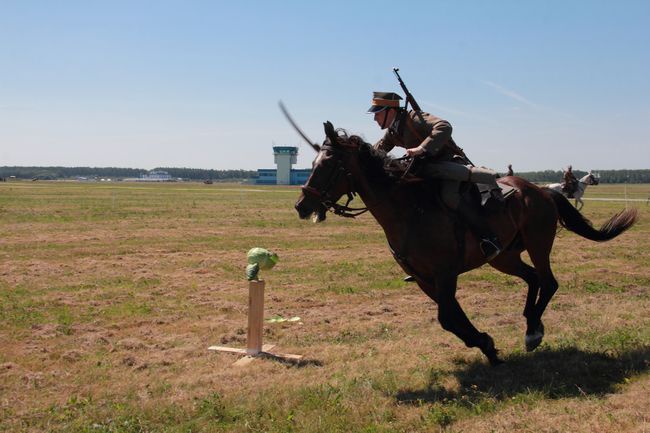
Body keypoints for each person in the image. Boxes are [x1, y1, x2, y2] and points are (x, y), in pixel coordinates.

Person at [368, 91, 503, 261]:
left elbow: (444, 126)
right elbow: (377, 150)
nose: (375, 119)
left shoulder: (414, 119)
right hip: (425, 170)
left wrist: (422, 148)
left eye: (377, 113)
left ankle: (488, 238)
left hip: (448, 162)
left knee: (449, 197)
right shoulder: (393, 131)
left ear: (391, 111)